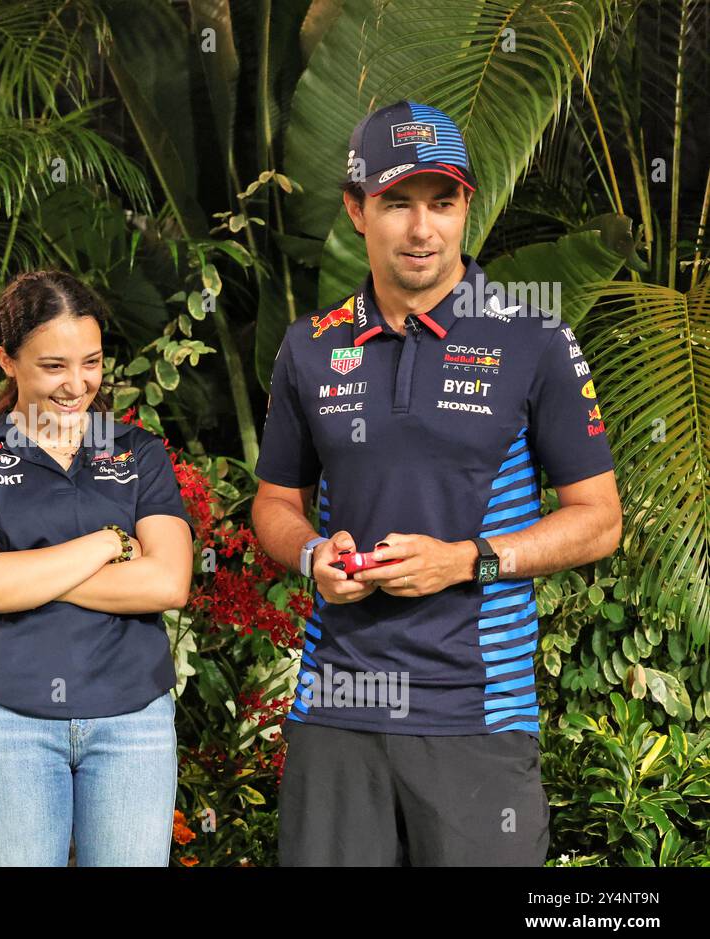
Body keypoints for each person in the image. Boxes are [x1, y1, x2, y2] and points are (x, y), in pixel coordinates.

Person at [252, 100, 622, 865]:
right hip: (336, 712)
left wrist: (467, 560)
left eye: (442, 202)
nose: (423, 229)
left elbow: (599, 520)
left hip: (476, 717)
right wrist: (311, 555)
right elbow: (275, 503)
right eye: (397, 203)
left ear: (465, 208)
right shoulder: (310, 347)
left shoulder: (534, 341)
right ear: (357, 209)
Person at [0, 270, 194, 866]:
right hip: (12, 722)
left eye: (92, 362)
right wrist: (107, 542)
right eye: (53, 366)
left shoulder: (137, 452)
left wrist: (26, 577)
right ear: (7, 359)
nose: (77, 384)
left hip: (132, 720)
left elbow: (168, 582)